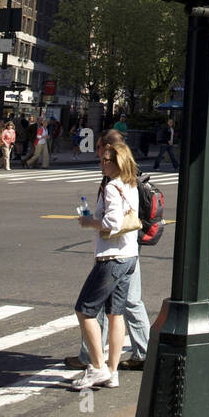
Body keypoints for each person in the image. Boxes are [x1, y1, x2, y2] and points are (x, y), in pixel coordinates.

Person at [65, 131, 151, 373]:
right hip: (130, 249)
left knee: (91, 308)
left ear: (112, 152)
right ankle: (120, 361)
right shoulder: (131, 178)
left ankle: (93, 360)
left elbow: (112, 222)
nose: (98, 157)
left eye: (102, 153)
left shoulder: (112, 182)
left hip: (115, 253)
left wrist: (90, 222)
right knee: (123, 307)